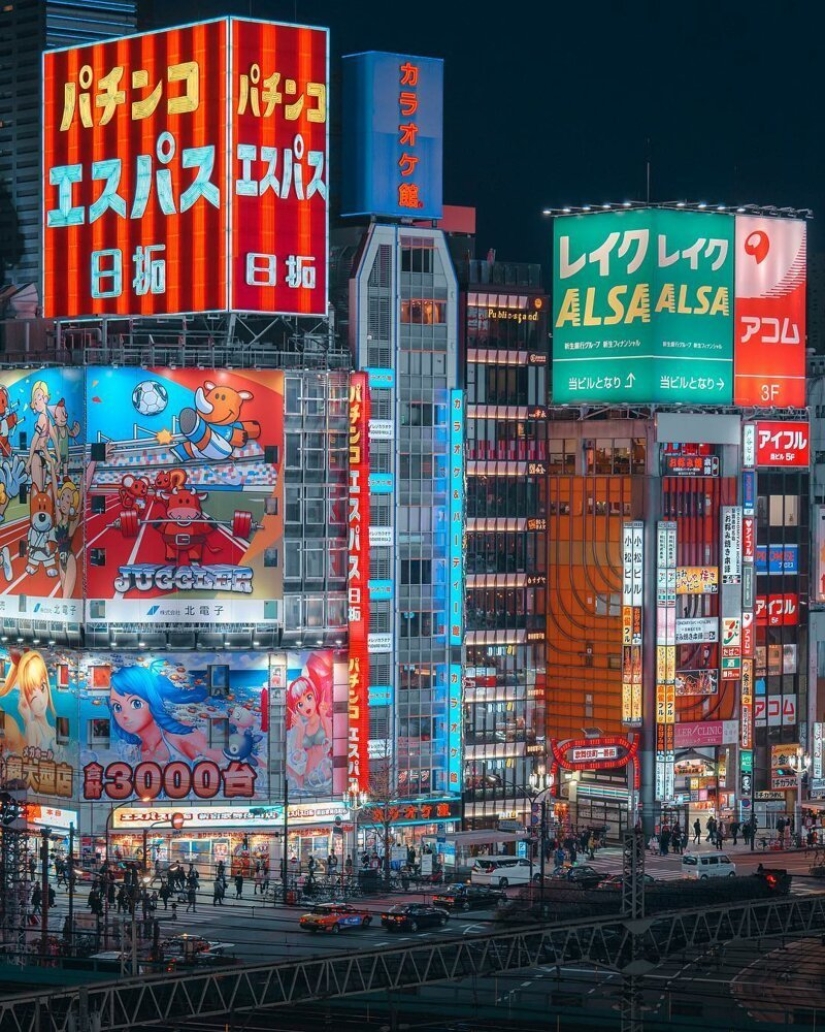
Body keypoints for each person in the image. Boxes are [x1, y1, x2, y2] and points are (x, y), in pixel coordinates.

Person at [108, 665, 228, 766]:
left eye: (136, 703)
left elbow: (223, 763)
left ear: (153, 700)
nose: (125, 715)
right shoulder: (131, 751)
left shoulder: (179, 735)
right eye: (117, 707)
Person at [285, 653, 334, 795]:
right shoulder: (302, 727)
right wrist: (300, 729)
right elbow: (297, 757)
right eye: (300, 704)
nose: (306, 705)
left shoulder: (324, 719)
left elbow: (332, 743)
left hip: (326, 780)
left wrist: (324, 716)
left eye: (308, 697)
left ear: (315, 695)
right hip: (307, 781)